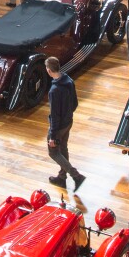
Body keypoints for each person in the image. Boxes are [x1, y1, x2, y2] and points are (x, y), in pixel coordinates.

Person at [45, 56, 84, 192]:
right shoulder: (69, 81)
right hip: (68, 121)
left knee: (53, 152)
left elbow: (55, 115)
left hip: (59, 126)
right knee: (63, 149)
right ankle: (62, 178)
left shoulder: (54, 91)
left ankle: (76, 176)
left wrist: (52, 135)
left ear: (49, 70)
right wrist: (68, 115)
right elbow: (75, 103)